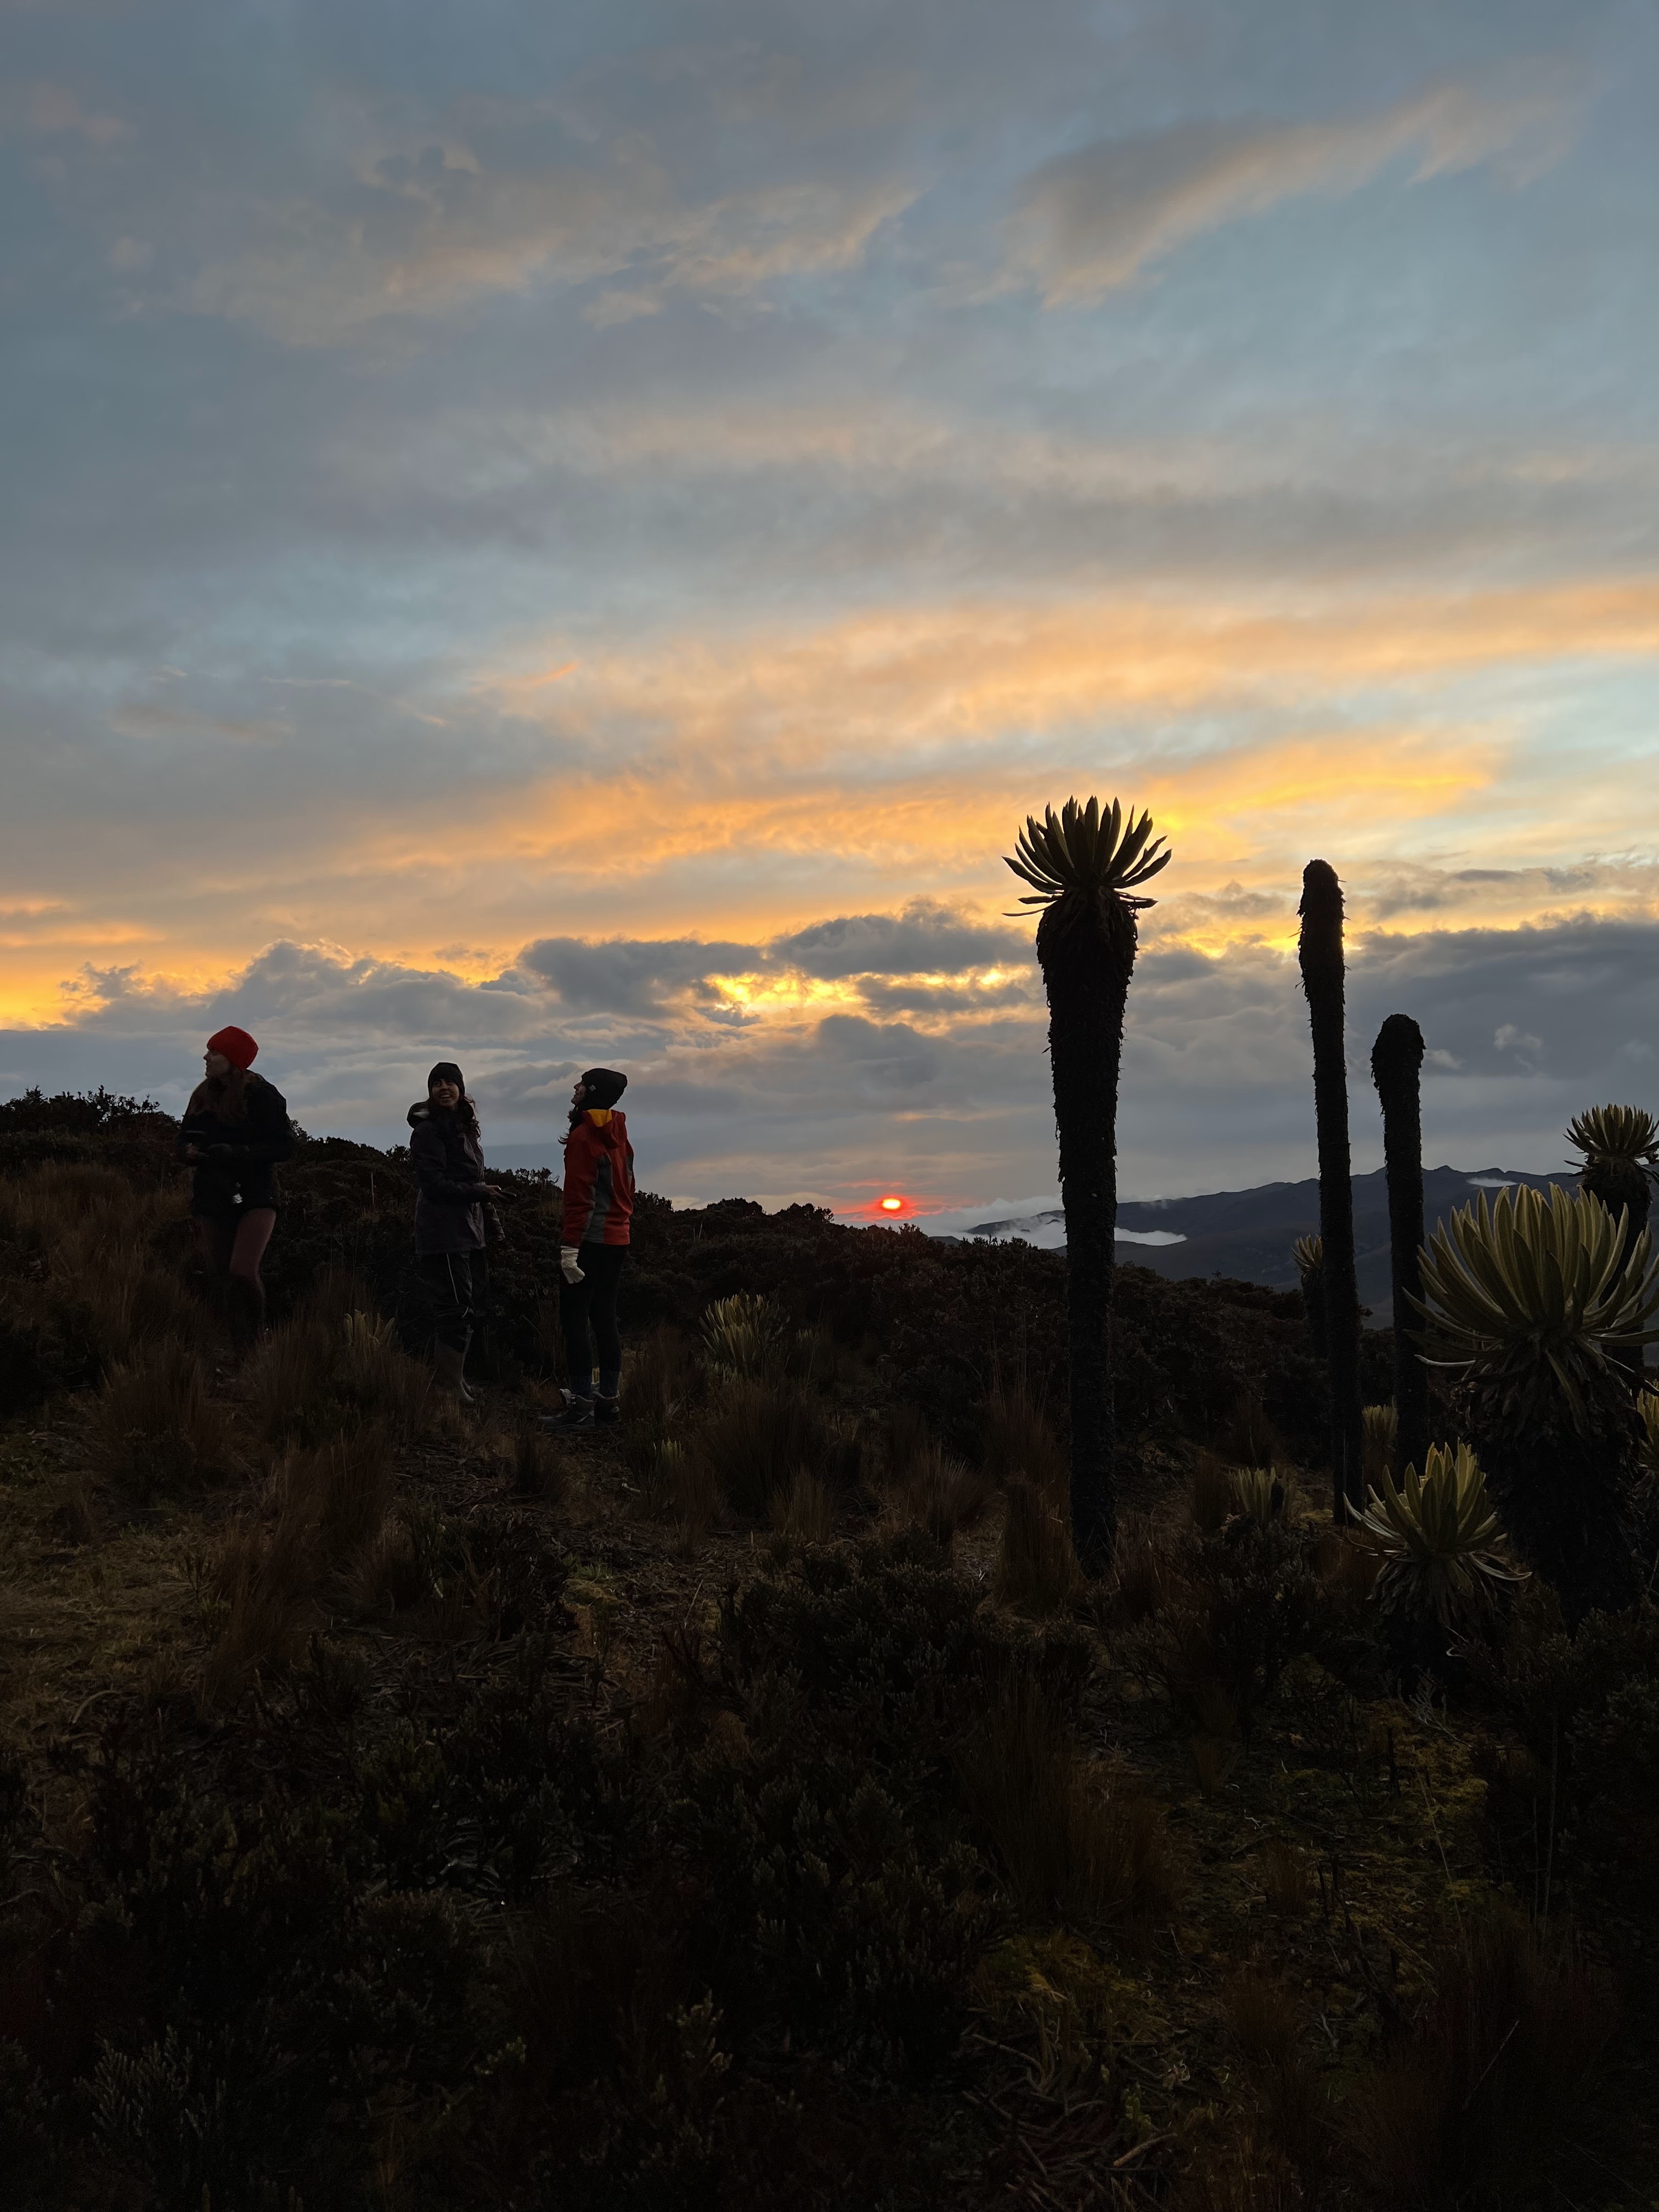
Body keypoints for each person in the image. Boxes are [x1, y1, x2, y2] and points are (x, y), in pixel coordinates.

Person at [177, 1025, 295, 1347]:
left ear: (233, 1059)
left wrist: (237, 1153)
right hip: (212, 1192)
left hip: (256, 1193)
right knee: (220, 1274)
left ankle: (256, 1341)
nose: (206, 1057)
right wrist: (187, 1152)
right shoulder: (202, 1096)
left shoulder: (262, 1095)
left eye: (214, 1052)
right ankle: (233, 1346)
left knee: (242, 1271)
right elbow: (183, 1138)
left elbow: (284, 1146)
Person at [408, 1060, 509, 1401]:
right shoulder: (428, 1131)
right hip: (443, 1233)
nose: (443, 1088)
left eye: (449, 1082)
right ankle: (448, 1387)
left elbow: (471, 1178)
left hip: (468, 1231)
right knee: (454, 1309)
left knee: (467, 1307)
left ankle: (456, 1381)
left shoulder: (464, 1129)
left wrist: (484, 1200)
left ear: (460, 1089)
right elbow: (435, 1186)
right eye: (437, 1083)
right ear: (430, 1091)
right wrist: (480, 1192)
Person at [544, 1067, 634, 1431]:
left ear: (591, 1092)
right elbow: (628, 1186)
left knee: (574, 1320)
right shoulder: (619, 1131)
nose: (575, 1087)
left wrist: (570, 1249)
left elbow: (579, 1199)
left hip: (590, 1242)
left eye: (581, 1083)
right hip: (618, 1239)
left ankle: (580, 1407)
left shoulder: (584, 1137)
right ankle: (608, 1403)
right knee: (604, 1318)